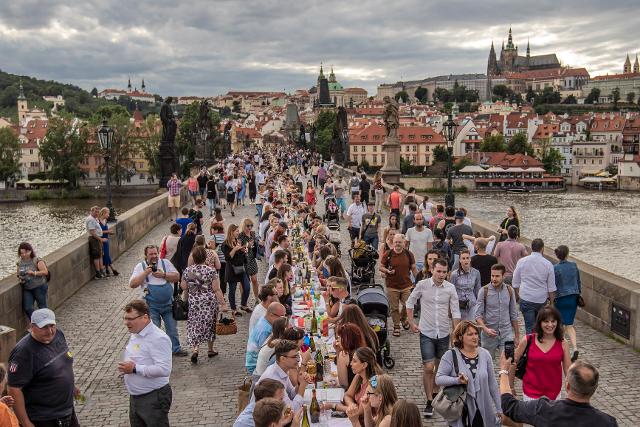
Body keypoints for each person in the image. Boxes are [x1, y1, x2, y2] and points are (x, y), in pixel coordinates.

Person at [406, 258, 461, 418]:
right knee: (429, 367)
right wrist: (411, 323)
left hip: (444, 333)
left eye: (444, 272)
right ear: (432, 270)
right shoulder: (423, 285)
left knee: (439, 368)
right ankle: (429, 400)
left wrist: (456, 331)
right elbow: (410, 302)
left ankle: (436, 391)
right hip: (427, 332)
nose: (441, 274)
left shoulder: (450, 288)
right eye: (439, 271)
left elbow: (456, 312)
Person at [499, 355, 618, 427]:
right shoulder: (607, 423)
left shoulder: (543, 409)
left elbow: (509, 405)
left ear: (567, 386)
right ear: (594, 390)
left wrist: (504, 371)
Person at [8, 309, 79, 427]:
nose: (50, 331)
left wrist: (71, 386)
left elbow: (63, 364)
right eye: (44, 327)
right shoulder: (23, 353)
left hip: (67, 410)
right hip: (43, 418)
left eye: (52, 326)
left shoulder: (59, 335)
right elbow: (14, 389)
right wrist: (25, 423)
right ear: (32, 326)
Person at [436, 321, 502, 427]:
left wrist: (499, 408)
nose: (475, 337)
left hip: (483, 409)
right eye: (470, 334)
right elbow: (439, 379)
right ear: (460, 337)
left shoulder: (485, 354)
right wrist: (457, 380)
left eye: (476, 333)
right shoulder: (450, 355)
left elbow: (492, 384)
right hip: (461, 409)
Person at [119, 300, 172, 427]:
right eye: (125, 318)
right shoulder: (136, 333)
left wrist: (134, 369)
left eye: (130, 319)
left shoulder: (158, 338)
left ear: (145, 317)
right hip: (136, 398)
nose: (126, 323)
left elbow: (164, 369)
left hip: (154, 398)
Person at [129, 245, 186, 356]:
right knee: (153, 330)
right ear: (146, 255)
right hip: (151, 306)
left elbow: (177, 277)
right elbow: (132, 284)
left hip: (168, 305)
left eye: (156, 253)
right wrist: (146, 273)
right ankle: (155, 352)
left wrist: (163, 275)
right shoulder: (141, 266)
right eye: (151, 254)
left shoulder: (165, 263)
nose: (154, 256)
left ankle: (176, 349)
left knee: (172, 330)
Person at [181, 246, 227, 364]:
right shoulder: (211, 271)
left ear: (193, 257)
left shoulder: (187, 271)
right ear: (205, 258)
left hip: (194, 303)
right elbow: (217, 289)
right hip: (209, 303)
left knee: (194, 325)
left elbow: (184, 287)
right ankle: (210, 349)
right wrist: (223, 304)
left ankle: (195, 350)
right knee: (211, 325)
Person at [515, 306, 572, 401]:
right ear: (539, 323)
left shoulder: (563, 343)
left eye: (553, 321)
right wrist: (510, 386)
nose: (550, 325)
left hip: (554, 394)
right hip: (531, 393)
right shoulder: (527, 340)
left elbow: (568, 369)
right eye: (546, 321)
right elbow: (514, 362)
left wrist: (571, 390)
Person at [475, 264, 519, 361]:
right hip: (488, 335)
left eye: (497, 276)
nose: (494, 278)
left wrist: (517, 336)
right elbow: (478, 315)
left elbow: (514, 315)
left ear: (503, 276)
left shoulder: (509, 290)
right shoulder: (484, 291)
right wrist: (485, 329)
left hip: (506, 333)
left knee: (509, 361)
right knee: (486, 363)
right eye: (492, 276)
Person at [513, 238, 556, 334]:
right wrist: (552, 303)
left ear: (531, 248)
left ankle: (530, 346)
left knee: (529, 326)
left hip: (526, 297)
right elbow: (551, 287)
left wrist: (517, 296)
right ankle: (539, 345)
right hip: (541, 299)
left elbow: (515, 281)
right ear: (542, 249)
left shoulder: (522, 261)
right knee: (540, 326)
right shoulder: (548, 264)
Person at [255, 340, 310, 412]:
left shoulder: (282, 369)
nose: (298, 360)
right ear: (282, 359)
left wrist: (299, 384)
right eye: (294, 357)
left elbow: (291, 394)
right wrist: (302, 386)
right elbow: (291, 410)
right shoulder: (273, 378)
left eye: (298, 356)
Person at [380, 234, 416, 336]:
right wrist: (387, 270)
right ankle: (396, 326)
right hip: (392, 286)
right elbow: (381, 267)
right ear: (393, 243)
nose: (398, 244)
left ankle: (403, 318)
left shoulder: (409, 254)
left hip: (406, 285)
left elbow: (413, 268)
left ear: (404, 243)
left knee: (407, 304)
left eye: (400, 242)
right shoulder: (388, 254)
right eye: (396, 242)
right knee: (394, 308)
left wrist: (418, 280)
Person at [554, 245, 581, 362]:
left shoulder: (555, 268)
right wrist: (578, 294)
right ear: (567, 254)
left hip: (560, 298)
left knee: (560, 324)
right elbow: (578, 281)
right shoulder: (574, 266)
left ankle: (561, 348)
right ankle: (575, 348)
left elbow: (553, 284)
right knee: (569, 324)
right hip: (573, 297)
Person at [339, 347, 381, 424]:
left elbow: (359, 412)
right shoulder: (359, 376)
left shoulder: (373, 383)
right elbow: (347, 395)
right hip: (358, 420)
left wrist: (335, 406)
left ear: (364, 365)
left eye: (354, 361)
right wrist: (352, 405)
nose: (351, 364)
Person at [246, 302, 287, 374]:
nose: (284, 319)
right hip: (254, 365)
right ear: (271, 315)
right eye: (282, 317)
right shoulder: (265, 331)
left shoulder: (265, 319)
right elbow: (266, 355)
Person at [222, 224, 251, 315]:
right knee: (232, 289)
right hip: (232, 269)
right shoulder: (225, 244)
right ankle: (234, 309)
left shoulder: (238, 241)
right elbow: (228, 257)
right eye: (237, 231)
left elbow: (241, 255)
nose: (238, 233)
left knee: (247, 287)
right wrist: (235, 249)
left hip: (241, 268)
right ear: (231, 232)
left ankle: (243, 304)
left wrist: (244, 251)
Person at [16, 242, 49, 319]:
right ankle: (36, 324)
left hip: (39, 286)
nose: (24, 255)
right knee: (28, 308)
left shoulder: (36, 260)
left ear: (30, 251)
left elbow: (45, 272)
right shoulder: (19, 263)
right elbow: (18, 274)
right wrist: (20, 278)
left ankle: (46, 325)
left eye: (26, 252)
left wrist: (34, 273)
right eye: (22, 253)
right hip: (27, 288)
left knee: (42, 307)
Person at [252, 318, 289, 383]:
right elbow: (283, 365)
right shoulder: (278, 343)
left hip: (260, 374)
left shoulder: (272, 337)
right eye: (289, 327)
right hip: (263, 380)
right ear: (284, 329)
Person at [449, 249, 482, 321]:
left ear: (470, 259)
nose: (466, 260)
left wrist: (479, 305)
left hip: (472, 303)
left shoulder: (476, 273)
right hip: (459, 304)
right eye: (463, 258)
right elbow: (451, 291)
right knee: (460, 328)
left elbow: (478, 289)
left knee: (472, 325)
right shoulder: (454, 274)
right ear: (460, 260)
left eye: (467, 258)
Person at [335, 323, 367, 388]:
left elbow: (343, 383)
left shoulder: (344, 355)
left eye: (340, 337)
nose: (338, 340)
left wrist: (338, 352)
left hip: (353, 392)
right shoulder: (365, 351)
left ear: (346, 339)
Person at [239, 218, 260, 300]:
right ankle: (243, 298)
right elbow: (238, 247)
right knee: (244, 282)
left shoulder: (253, 234)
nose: (250, 227)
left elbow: (256, 243)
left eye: (251, 225)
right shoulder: (240, 235)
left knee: (254, 280)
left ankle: (256, 297)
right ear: (244, 226)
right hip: (244, 260)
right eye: (248, 226)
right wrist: (247, 246)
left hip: (251, 259)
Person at [86, 205, 107, 279]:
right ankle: (98, 273)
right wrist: (100, 239)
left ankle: (101, 271)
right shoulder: (91, 219)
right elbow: (92, 232)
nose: (97, 213)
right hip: (94, 239)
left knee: (100, 255)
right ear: (91, 211)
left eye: (98, 212)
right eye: (95, 212)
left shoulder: (95, 219)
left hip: (97, 238)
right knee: (97, 256)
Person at [98, 207, 119, 276]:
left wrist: (109, 232)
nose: (109, 215)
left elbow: (104, 231)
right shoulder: (98, 221)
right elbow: (98, 232)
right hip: (101, 240)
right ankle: (113, 269)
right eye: (108, 213)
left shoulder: (105, 221)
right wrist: (108, 231)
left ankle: (107, 269)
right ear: (104, 213)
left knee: (106, 254)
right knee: (106, 254)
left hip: (106, 240)